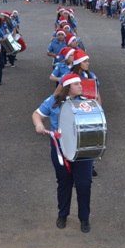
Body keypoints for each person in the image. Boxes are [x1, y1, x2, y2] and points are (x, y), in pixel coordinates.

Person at [32, 73, 94, 233]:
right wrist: (38, 125)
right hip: (60, 148)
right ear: (68, 87)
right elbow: (36, 114)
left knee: (84, 184)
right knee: (64, 182)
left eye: (80, 84)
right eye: (77, 84)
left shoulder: (86, 102)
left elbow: (95, 120)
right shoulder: (53, 101)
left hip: (82, 149)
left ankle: (84, 218)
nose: (81, 86)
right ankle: (63, 214)